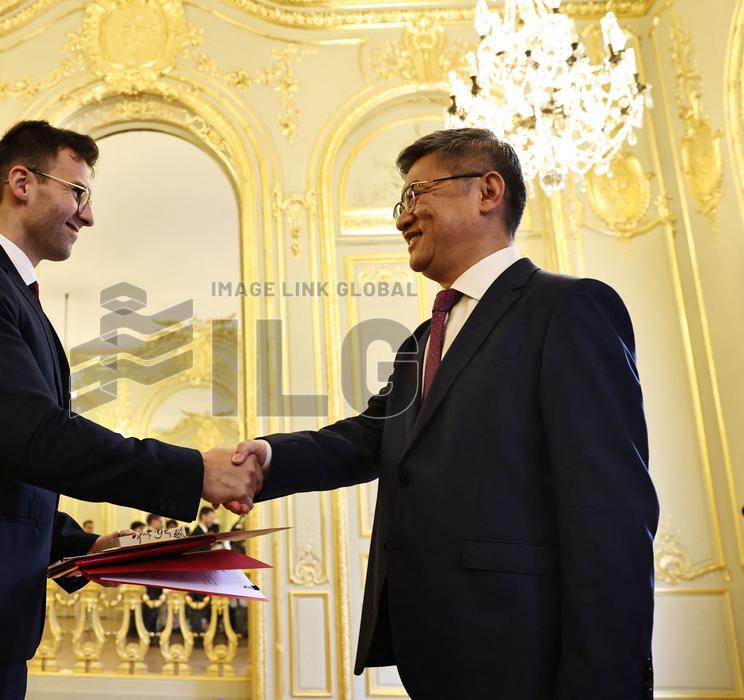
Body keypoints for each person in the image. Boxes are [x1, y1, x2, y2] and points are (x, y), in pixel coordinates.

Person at [232, 128, 659, 699]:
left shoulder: (569, 308)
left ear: (487, 191)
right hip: (436, 649)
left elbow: (611, 516)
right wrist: (268, 459)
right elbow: (370, 438)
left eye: (417, 195)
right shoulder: (422, 339)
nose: (402, 218)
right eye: (400, 203)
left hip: (527, 650)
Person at [0, 120, 263, 699]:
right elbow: (35, 438)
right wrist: (195, 470)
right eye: (78, 192)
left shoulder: (13, 296)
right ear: (22, 182)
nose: (87, 216)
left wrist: (82, 544)